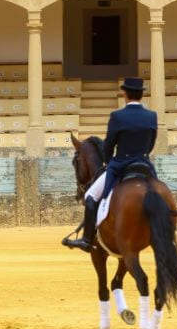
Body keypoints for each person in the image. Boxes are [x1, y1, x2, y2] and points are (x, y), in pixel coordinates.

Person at [64, 78, 158, 253]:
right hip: (144, 164)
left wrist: (107, 160)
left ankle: (86, 239)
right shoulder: (152, 116)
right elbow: (151, 144)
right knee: (159, 192)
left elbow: (109, 144)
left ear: (125, 94)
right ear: (142, 95)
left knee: (91, 196)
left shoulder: (117, 116)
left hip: (120, 164)